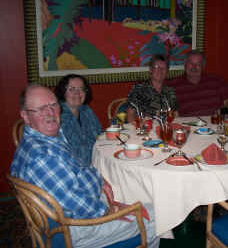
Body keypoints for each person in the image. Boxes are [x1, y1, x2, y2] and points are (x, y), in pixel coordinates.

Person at [10, 85, 159, 248]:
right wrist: (112, 209)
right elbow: (84, 209)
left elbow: (76, 169)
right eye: (40, 109)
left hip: (81, 203)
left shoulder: (45, 139)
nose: (50, 113)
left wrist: (101, 181)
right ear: (25, 116)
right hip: (76, 229)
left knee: (131, 188)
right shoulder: (42, 157)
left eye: (53, 105)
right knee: (156, 214)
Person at [168, 50, 228, 116]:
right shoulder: (173, 85)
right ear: (185, 65)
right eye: (191, 63)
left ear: (203, 66)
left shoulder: (217, 80)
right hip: (188, 125)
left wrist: (223, 112)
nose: (194, 67)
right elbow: (168, 109)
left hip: (216, 123)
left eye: (198, 64)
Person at [55, 74, 101, 167]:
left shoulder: (86, 110)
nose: (77, 93)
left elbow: (99, 135)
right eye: (72, 89)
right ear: (63, 92)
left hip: (96, 160)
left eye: (81, 89)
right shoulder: (57, 116)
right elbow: (70, 153)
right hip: (74, 167)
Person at [126, 54, 178, 122]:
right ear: (150, 69)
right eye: (156, 67)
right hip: (145, 129)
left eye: (164, 68)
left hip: (166, 129)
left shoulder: (170, 91)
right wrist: (138, 129)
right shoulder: (139, 89)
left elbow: (175, 114)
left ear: (167, 72)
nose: (160, 70)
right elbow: (130, 115)